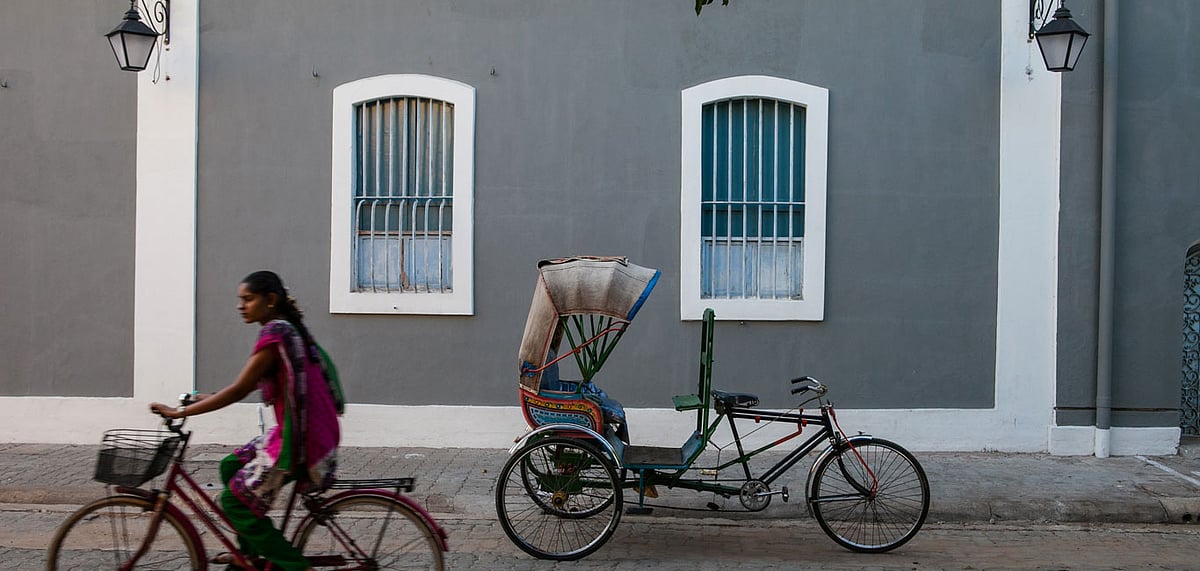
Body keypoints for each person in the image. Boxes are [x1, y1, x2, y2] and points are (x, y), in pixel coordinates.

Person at [151, 270, 341, 571]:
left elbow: (239, 389)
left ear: (271, 300)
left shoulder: (276, 333)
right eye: (240, 300)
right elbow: (249, 383)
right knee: (230, 466)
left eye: (248, 299)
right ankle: (249, 555)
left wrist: (180, 413)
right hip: (303, 432)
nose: (241, 306)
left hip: (301, 441)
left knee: (234, 502)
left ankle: (294, 566)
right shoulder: (287, 331)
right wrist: (203, 398)